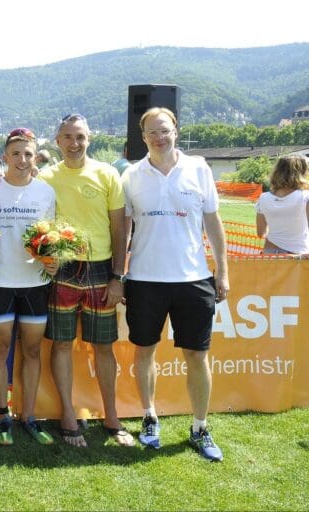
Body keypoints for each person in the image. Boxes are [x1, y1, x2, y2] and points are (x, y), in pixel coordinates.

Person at [122, 107, 229, 461]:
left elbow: (213, 223)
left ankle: (200, 427)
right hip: (144, 280)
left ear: (176, 131)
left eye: (164, 130)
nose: (159, 137)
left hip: (193, 278)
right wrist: (118, 274)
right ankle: (149, 416)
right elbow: (122, 229)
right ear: (143, 137)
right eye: (152, 132)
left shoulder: (199, 168)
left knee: (197, 356)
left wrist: (222, 271)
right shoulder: (132, 175)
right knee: (144, 352)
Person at [38, 113, 132, 448]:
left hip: (101, 271)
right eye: (67, 137)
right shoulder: (45, 177)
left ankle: (111, 415)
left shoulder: (107, 174)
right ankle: (67, 413)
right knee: (62, 344)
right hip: (62, 270)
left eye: (80, 137)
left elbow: (121, 228)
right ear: (57, 140)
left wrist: (118, 276)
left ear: (89, 138)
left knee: (103, 347)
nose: (74, 144)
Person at [0, 128, 56, 446]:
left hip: (35, 283)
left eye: (28, 154)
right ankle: (1, 415)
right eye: (16, 153)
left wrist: (54, 260)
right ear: (5, 157)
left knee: (32, 351)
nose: (23, 159)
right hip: (0, 281)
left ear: (35, 157)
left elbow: (51, 238)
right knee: (0, 350)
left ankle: (29, 415)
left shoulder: (45, 192)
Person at [255, 155, 309, 255]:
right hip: (298, 255)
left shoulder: (263, 198)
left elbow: (261, 233)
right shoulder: (305, 196)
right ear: (302, 172)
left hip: (269, 253)